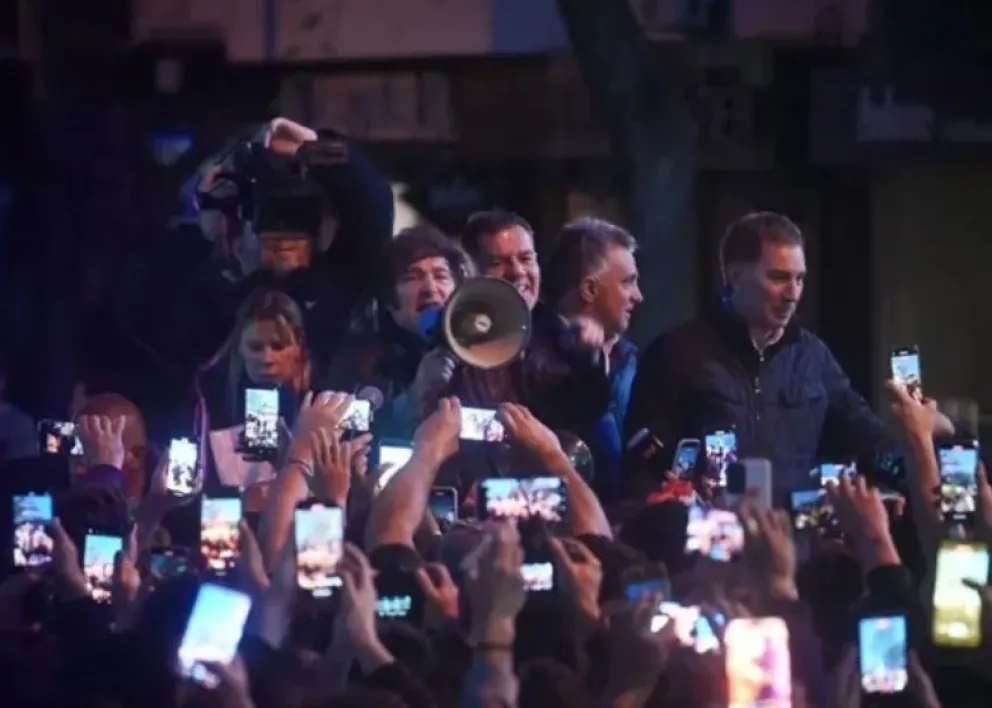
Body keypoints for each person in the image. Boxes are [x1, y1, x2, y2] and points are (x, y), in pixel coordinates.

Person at [626, 211, 951, 500]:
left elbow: (867, 443)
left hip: (794, 539)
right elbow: (640, 468)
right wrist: (681, 488)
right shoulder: (677, 353)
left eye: (800, 279)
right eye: (779, 277)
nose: (793, 294)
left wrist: (925, 440)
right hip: (712, 536)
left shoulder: (813, 357)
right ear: (735, 276)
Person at [172, 117, 394, 373]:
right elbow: (172, 332)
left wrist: (315, 145)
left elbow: (373, 208)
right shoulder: (225, 295)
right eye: (268, 213)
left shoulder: (340, 284)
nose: (282, 229)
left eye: (300, 212)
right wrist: (207, 230)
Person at [409, 210, 613, 450]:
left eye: (526, 259)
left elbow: (584, 417)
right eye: (497, 263)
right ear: (469, 273)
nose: (517, 271)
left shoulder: (560, 337)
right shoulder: (438, 338)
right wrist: (420, 392)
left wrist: (589, 361)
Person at [329, 224, 474, 437]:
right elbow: (347, 432)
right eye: (412, 277)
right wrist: (413, 397)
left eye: (441, 276)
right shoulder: (359, 361)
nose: (430, 289)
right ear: (390, 301)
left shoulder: (481, 355)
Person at [542, 217, 643, 497]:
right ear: (589, 289)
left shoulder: (634, 360)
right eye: (628, 283)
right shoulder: (529, 354)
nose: (638, 296)